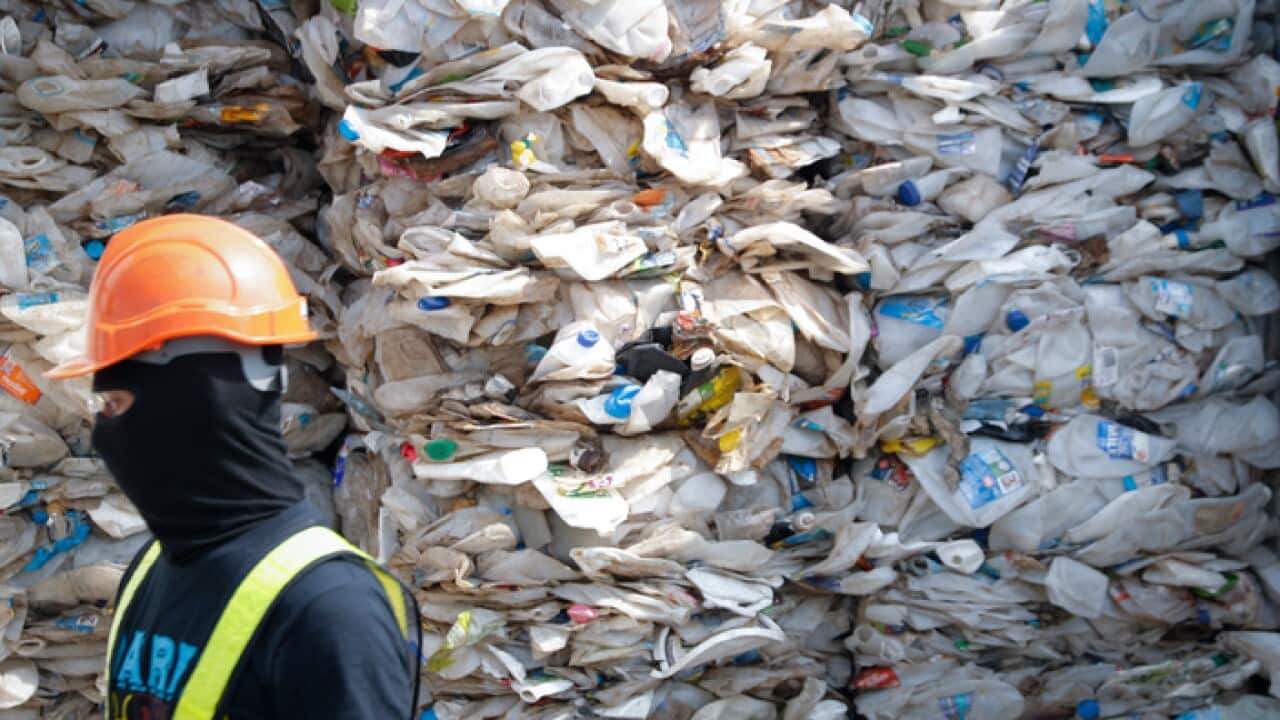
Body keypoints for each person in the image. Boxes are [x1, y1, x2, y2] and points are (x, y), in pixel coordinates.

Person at [45, 214, 420, 720]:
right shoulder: (152, 569)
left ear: (196, 404)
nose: (106, 434)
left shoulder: (329, 608)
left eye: (116, 403)